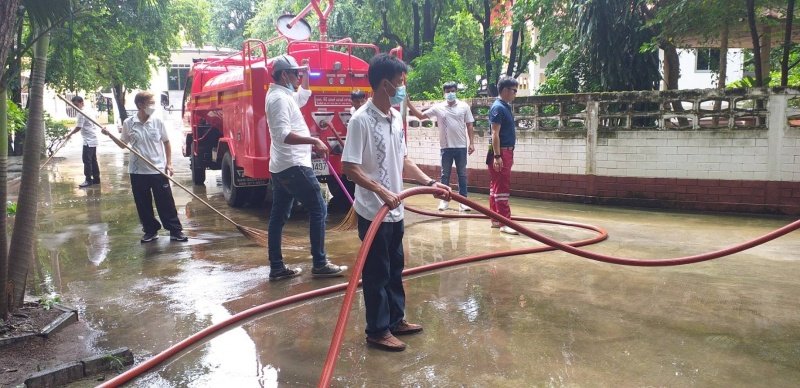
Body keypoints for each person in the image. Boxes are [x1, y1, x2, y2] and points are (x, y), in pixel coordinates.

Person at [342, 53, 451, 352]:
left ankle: (395, 320)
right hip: (373, 210)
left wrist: (430, 183)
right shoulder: (360, 120)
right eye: (401, 83)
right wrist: (381, 191)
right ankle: (377, 330)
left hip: (397, 208)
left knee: (395, 268)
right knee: (376, 272)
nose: (403, 89)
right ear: (384, 84)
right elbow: (350, 166)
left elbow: (403, 160)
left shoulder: (394, 118)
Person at [265, 54, 347, 281]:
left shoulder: (283, 94)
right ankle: (320, 264)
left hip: (282, 165)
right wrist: (314, 141)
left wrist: (306, 74)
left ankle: (277, 267)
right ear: (284, 75)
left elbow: (302, 97)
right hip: (293, 166)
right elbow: (283, 135)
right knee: (318, 208)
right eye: (295, 73)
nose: (298, 77)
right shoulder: (279, 99)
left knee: (278, 216)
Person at [103, 91, 188, 243]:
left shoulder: (157, 122)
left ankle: (175, 230)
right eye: (151, 103)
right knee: (143, 204)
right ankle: (150, 231)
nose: (153, 106)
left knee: (166, 202)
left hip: (158, 169)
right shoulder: (129, 123)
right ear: (140, 105)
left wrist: (169, 164)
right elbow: (123, 145)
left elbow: (166, 142)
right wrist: (110, 135)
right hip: (137, 172)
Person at [408, 81, 475, 211]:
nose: (450, 93)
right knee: (445, 175)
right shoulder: (438, 107)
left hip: (461, 146)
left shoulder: (464, 106)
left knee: (462, 174)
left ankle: (463, 201)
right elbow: (421, 116)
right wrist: (408, 103)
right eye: (447, 91)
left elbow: (470, 125)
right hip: (446, 147)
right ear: (443, 93)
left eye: (452, 91)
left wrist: (471, 143)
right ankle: (444, 201)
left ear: (456, 91)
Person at [488, 76, 519, 235]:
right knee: (502, 187)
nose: (515, 94)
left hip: (502, 151)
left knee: (495, 186)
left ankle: (495, 218)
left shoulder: (504, 106)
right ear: (505, 90)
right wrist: (498, 156)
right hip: (501, 152)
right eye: (514, 90)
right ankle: (504, 222)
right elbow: (495, 133)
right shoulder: (498, 108)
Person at [67, 96, 101, 188]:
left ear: (81, 102)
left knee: (87, 160)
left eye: (76, 104)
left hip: (88, 141)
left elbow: (79, 127)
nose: (75, 107)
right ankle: (96, 179)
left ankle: (88, 180)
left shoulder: (82, 113)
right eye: (73, 105)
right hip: (93, 138)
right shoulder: (89, 110)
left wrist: (70, 134)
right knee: (93, 160)